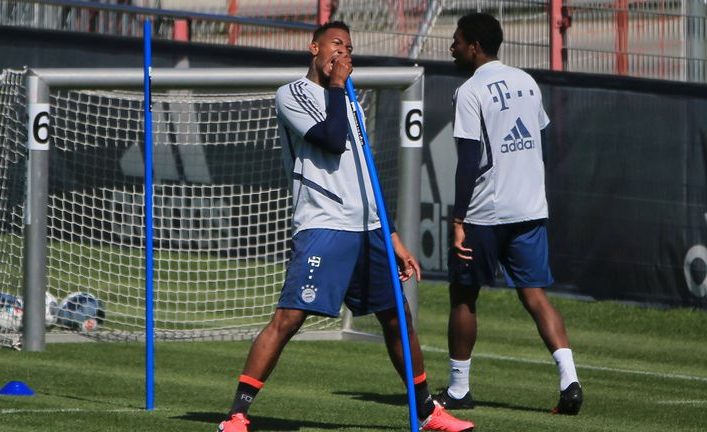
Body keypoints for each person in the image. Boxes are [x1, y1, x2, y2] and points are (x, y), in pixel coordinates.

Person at [217, 21, 475, 432]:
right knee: (289, 318)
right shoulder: (294, 94)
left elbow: (363, 174)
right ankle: (237, 414)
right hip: (324, 224)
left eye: (349, 47)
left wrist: (392, 236)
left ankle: (427, 412)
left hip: (367, 228)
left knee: (397, 317)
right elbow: (331, 139)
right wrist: (338, 86)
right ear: (313, 47)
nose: (343, 52)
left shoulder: (350, 101)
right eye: (336, 44)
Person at [436, 13, 583, 415]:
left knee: (464, 297)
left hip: (485, 212)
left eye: (456, 40)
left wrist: (458, 220)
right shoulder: (527, 81)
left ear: (474, 47)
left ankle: (459, 389)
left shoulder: (469, 91)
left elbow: (467, 162)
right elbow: (539, 144)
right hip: (530, 208)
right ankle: (570, 381)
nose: (452, 47)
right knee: (535, 295)